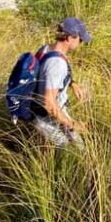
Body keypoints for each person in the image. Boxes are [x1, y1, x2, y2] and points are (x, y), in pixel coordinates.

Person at [30, 17, 91, 148]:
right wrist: (72, 124)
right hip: (47, 116)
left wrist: (72, 83)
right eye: (80, 39)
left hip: (38, 109)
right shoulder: (57, 64)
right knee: (74, 152)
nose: (81, 43)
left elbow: (47, 74)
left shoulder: (46, 49)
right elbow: (49, 103)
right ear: (70, 38)